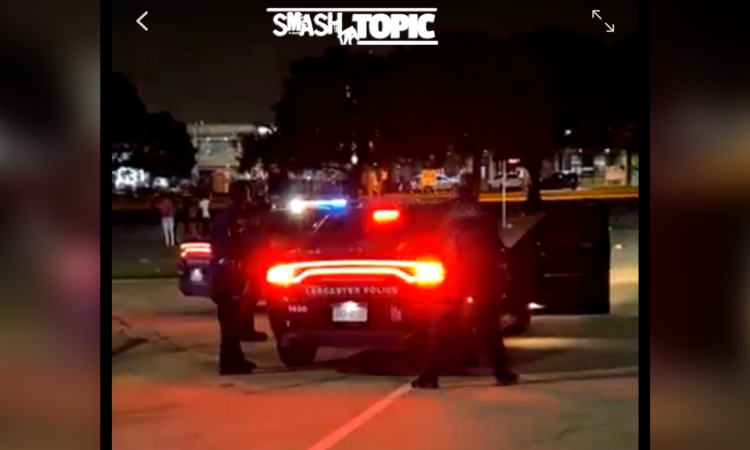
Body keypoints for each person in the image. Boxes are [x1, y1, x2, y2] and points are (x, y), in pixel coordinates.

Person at [412, 176, 519, 389]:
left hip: (454, 277)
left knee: (440, 329)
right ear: (474, 191)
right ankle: (502, 374)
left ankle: (428, 376)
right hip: (480, 277)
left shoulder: (448, 216)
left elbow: (440, 245)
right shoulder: (485, 215)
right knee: (490, 327)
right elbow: (496, 248)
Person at [210, 182, 256, 375]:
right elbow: (238, 243)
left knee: (230, 321)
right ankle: (228, 363)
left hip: (222, 274)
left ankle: (236, 357)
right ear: (245, 196)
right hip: (229, 275)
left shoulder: (224, 216)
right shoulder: (236, 217)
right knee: (231, 322)